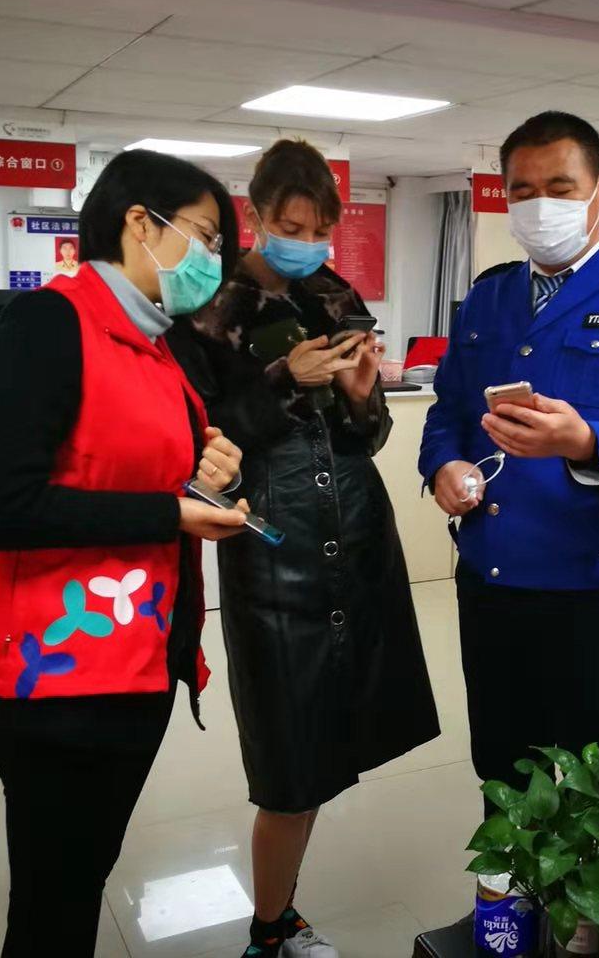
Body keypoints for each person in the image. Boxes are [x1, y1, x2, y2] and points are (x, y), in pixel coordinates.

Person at [0, 149, 250, 957]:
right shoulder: (50, 325)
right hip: (59, 679)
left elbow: (139, 470)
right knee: (52, 904)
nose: (211, 258)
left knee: (78, 879)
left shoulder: (156, 342)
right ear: (139, 223)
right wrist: (171, 511)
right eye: (203, 235)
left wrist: (213, 475)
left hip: (138, 664)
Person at [168, 139, 439, 958]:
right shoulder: (206, 306)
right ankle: (270, 927)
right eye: (291, 228)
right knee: (287, 755)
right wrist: (286, 379)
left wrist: (360, 398)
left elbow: (367, 438)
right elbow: (198, 444)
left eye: (321, 230)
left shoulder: (334, 295)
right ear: (255, 215)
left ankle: (281, 913)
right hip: (271, 535)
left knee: (339, 730)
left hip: (354, 529)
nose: (308, 245)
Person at [419, 111, 599, 803]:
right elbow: (449, 410)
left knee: (593, 779)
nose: (539, 205)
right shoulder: (489, 296)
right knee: (504, 768)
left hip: (595, 586)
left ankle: (588, 884)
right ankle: (510, 879)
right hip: (493, 576)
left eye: (559, 187)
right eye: (522, 191)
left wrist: (586, 441)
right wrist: (443, 466)